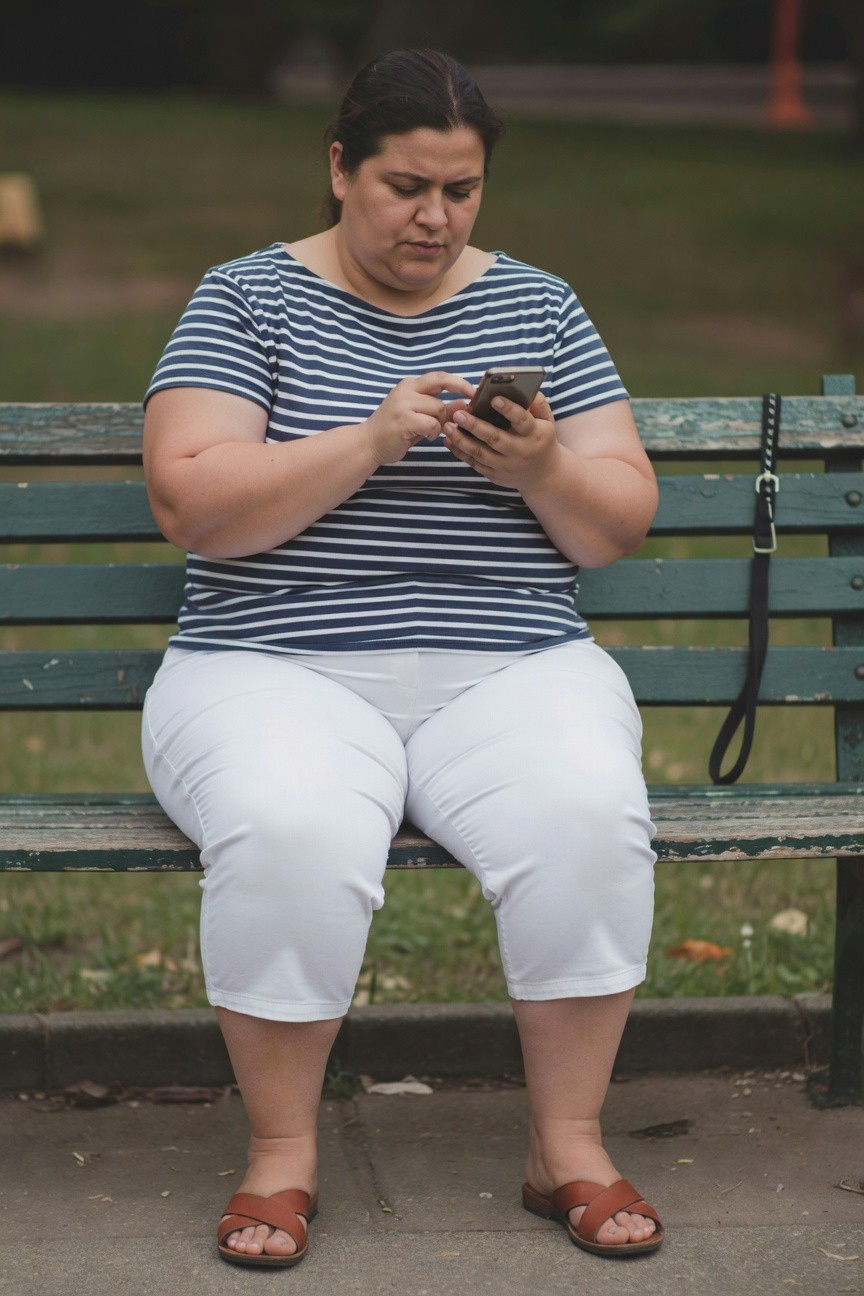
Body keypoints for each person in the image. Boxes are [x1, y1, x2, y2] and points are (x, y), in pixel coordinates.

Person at [141, 47, 663, 1268]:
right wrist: (368, 439)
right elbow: (191, 501)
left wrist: (541, 469)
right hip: (270, 666)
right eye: (404, 186)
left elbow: (618, 520)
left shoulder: (539, 304)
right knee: (288, 824)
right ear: (339, 168)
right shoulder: (245, 298)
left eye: (462, 190)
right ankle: (280, 1160)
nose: (435, 218)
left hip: (510, 665)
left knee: (588, 810)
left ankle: (568, 1146)